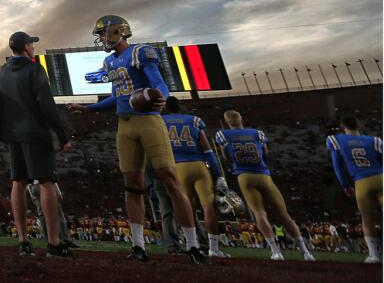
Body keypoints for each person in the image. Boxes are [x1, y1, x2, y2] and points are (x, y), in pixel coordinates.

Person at [68, 15, 207, 264]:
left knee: (170, 180)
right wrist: (88, 109)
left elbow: (159, 84)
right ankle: (138, 245)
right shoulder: (109, 62)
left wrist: (161, 96)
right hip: (124, 124)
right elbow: (116, 97)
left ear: (117, 31)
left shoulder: (140, 52)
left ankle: (193, 244)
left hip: (148, 120)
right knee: (132, 184)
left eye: (102, 34)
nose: (100, 39)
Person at [0, 31, 72, 258]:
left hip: (13, 133)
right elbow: (47, 105)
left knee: (18, 183)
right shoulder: (35, 69)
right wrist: (63, 134)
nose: (34, 47)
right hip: (35, 132)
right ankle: (54, 243)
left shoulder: (1, 71)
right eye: (32, 44)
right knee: (47, 182)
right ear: (26, 47)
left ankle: (23, 242)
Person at [214, 110, 315, 262]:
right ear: (242, 119)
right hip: (263, 174)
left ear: (227, 122)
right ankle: (305, 252)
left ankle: (276, 251)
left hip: (244, 176)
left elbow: (226, 157)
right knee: (284, 215)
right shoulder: (257, 133)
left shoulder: (222, 135)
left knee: (260, 214)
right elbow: (265, 153)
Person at [161, 97, 231, 258]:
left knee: (185, 209)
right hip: (199, 166)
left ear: (165, 107)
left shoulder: (160, 121)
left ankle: (191, 243)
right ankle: (214, 249)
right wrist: (219, 175)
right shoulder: (194, 120)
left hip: (177, 167)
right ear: (180, 107)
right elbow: (207, 151)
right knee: (208, 207)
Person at [325, 115, 381, 263]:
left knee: (367, 220)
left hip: (362, 183)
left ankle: (374, 256)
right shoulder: (374, 140)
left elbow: (338, 167)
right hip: (381, 178)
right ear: (359, 126)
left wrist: (345, 185)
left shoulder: (337, 140)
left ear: (343, 127)